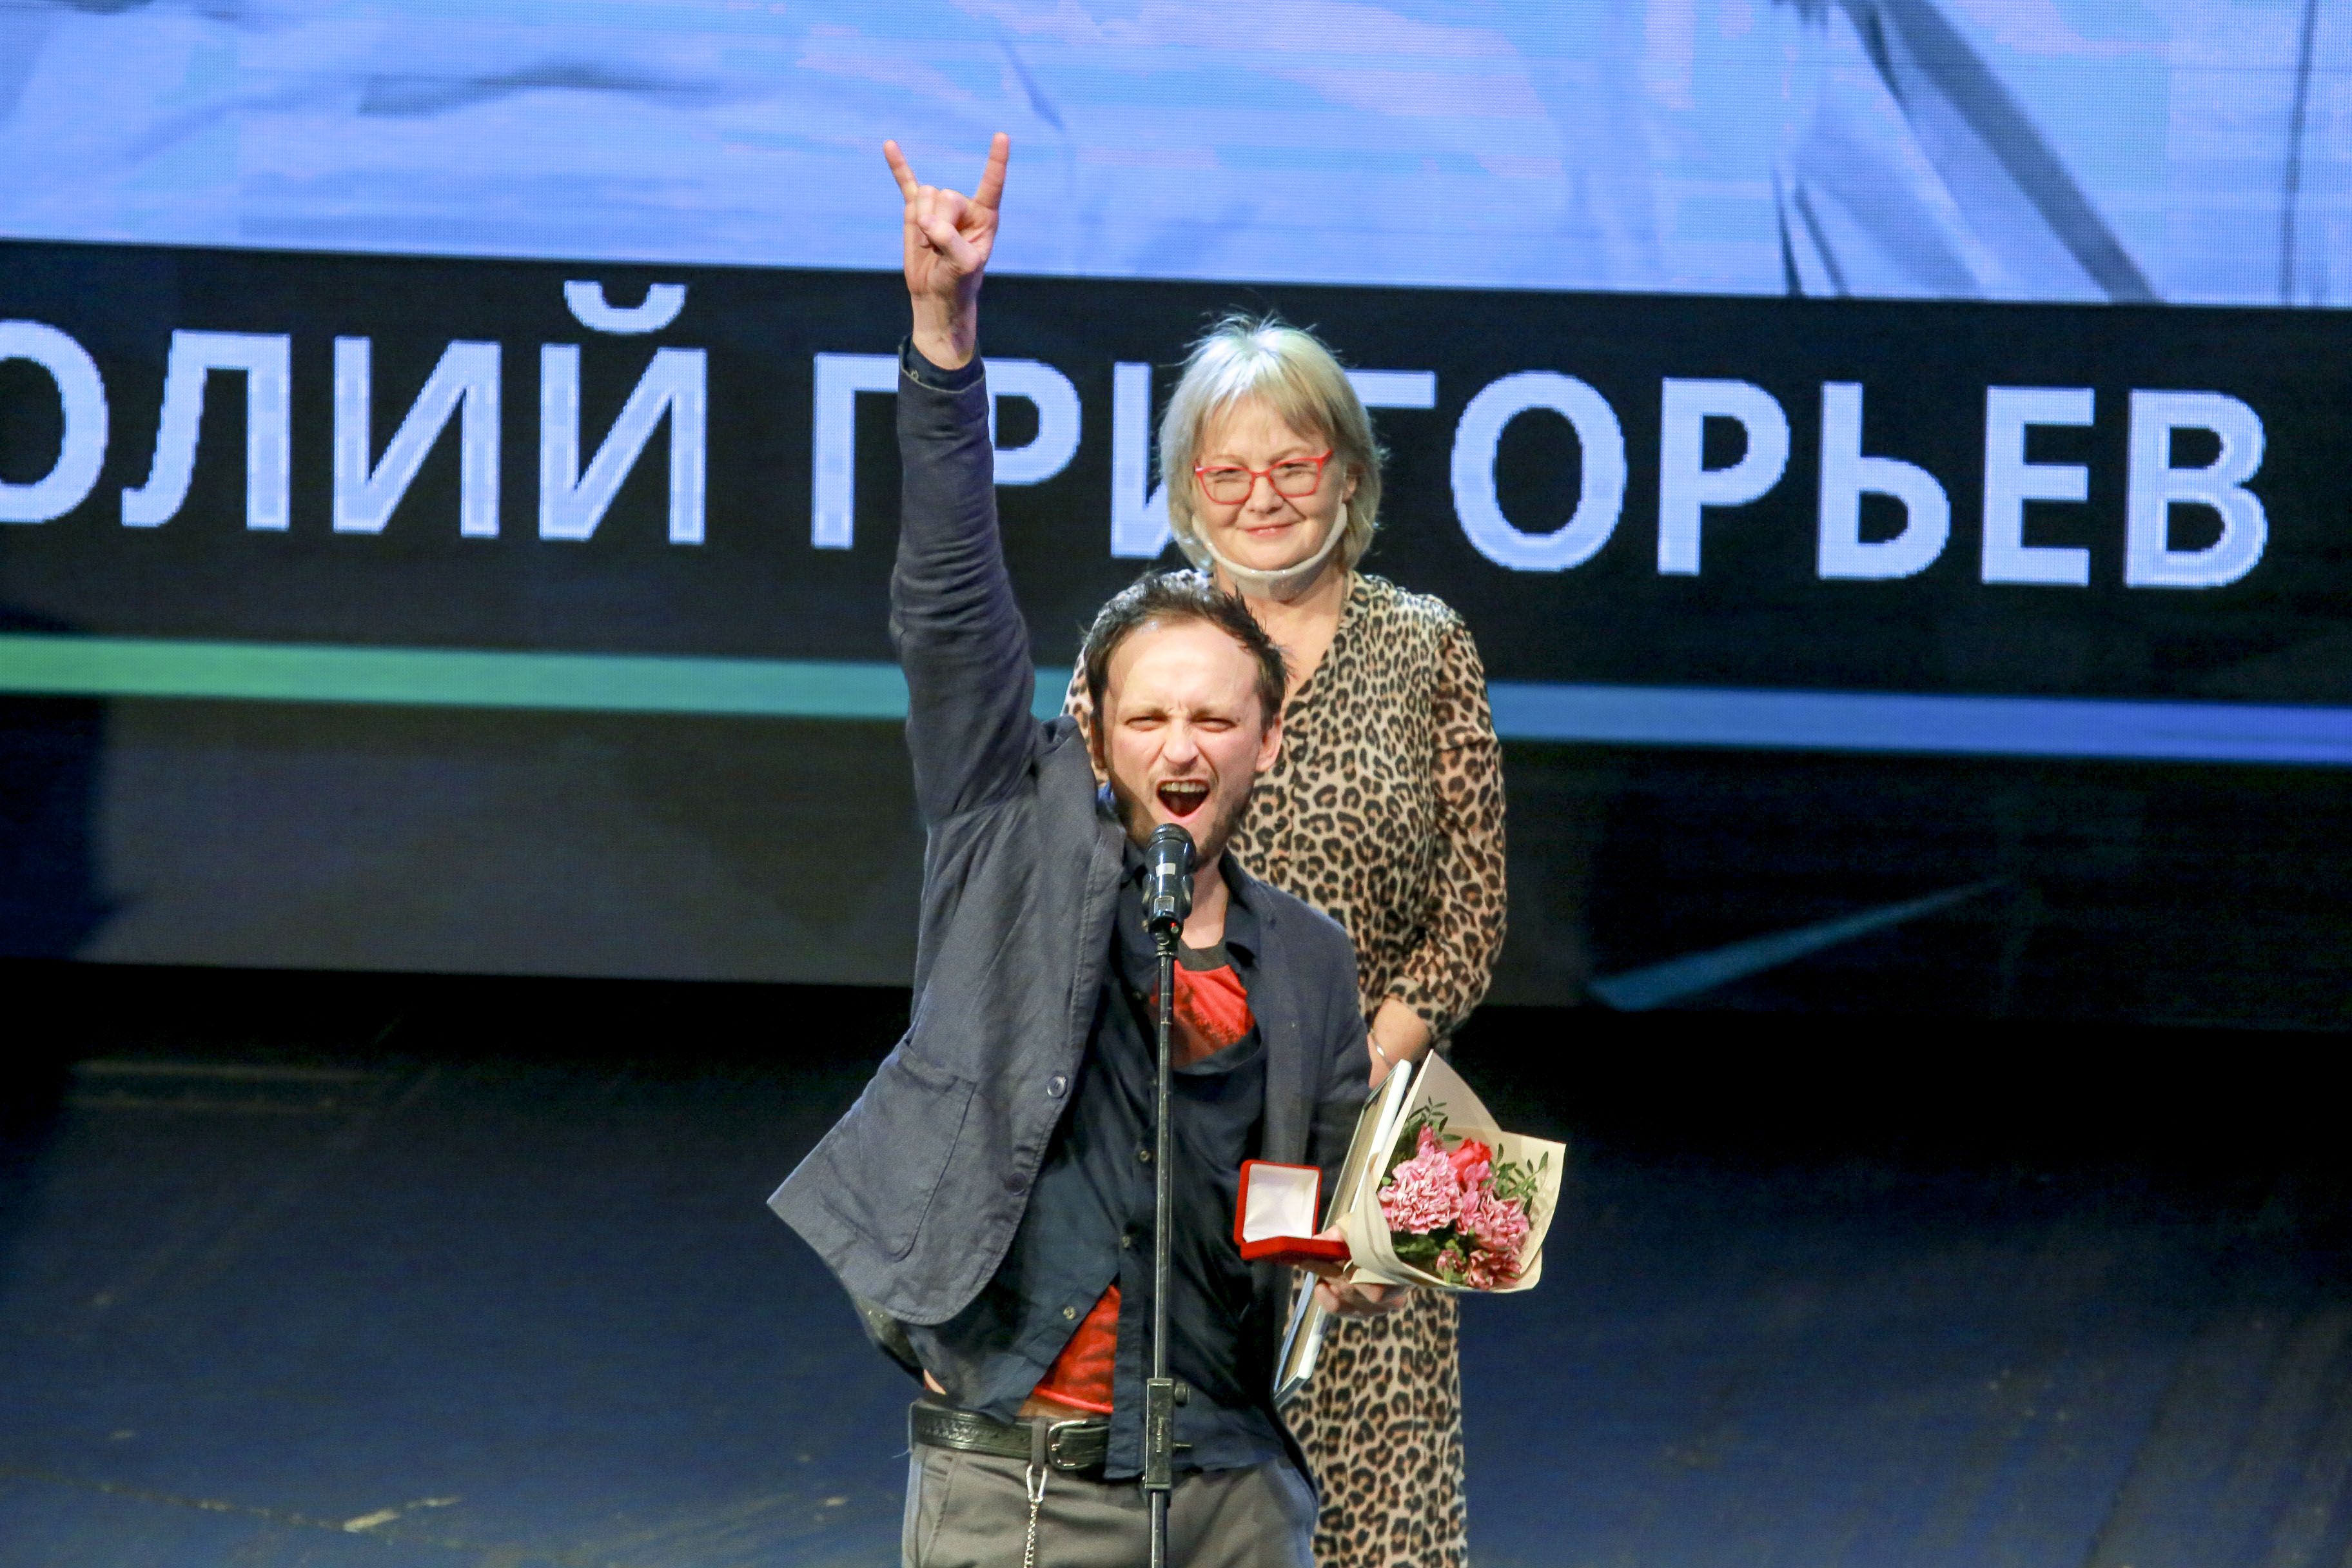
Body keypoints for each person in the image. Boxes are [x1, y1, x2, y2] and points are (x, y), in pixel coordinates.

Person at [769, 133, 1406, 1568]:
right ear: (1096, 731)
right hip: (1023, 1487)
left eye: (1215, 720)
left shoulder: (1306, 963)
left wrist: (1355, 1260)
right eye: (1151, 717)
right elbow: (949, 601)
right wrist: (945, 338)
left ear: (1267, 743)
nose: (1182, 746)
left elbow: (1293, 1203)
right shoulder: (1008, 839)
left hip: (1235, 1488)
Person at [1064, 319, 1507, 1567]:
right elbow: (1073, 885)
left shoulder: (1427, 643)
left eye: (1294, 466)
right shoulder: (1135, 639)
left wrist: (1339, 1073)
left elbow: (1472, 920)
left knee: (1382, 1513)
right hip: (1172, 1120)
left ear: (1348, 476)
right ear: (1185, 489)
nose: (1261, 496)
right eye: (1227, 471)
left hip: (1370, 1125)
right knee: (1180, 1488)